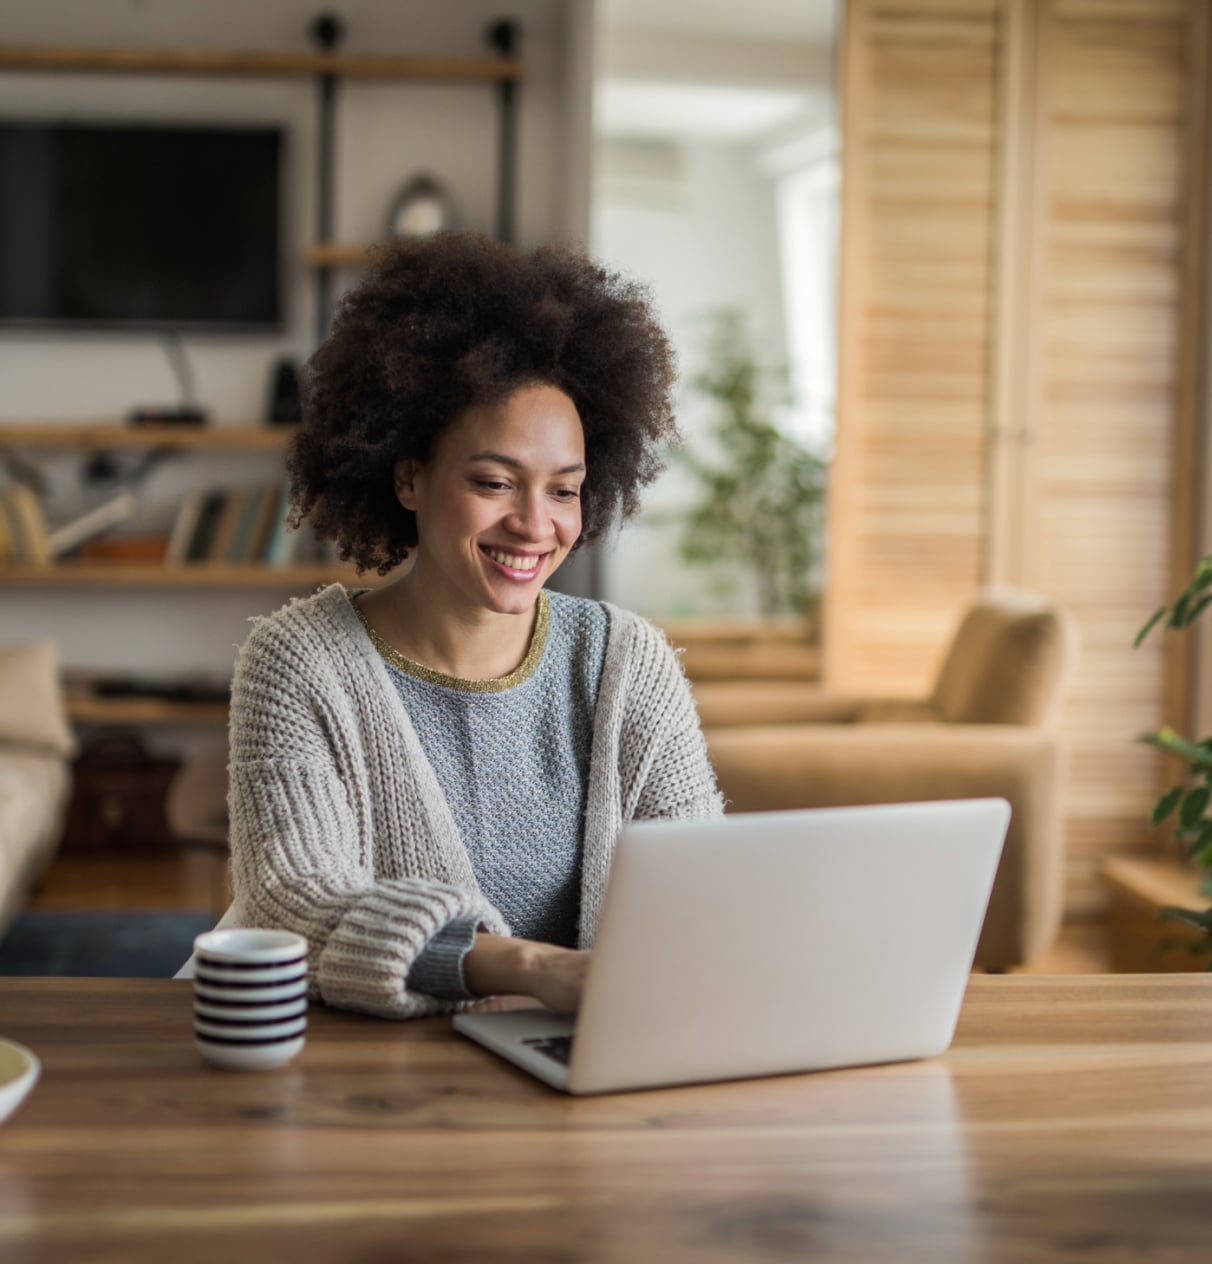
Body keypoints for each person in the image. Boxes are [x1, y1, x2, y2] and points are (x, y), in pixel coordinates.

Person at [227, 232, 723, 1020]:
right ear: (410, 476)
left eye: (564, 491)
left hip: (578, 1063)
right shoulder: (299, 662)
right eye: (495, 481)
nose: (534, 526)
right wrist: (530, 968)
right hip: (364, 1074)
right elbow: (295, 904)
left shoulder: (629, 663)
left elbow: (702, 888)